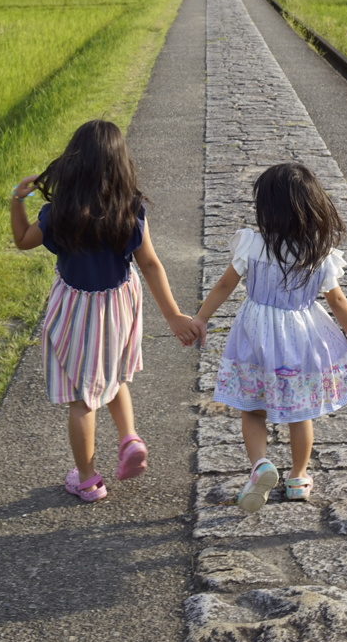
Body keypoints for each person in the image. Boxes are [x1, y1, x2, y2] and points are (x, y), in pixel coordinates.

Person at [11, 118, 203, 502]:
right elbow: (149, 264)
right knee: (113, 374)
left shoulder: (56, 213)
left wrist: (17, 200)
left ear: (73, 163)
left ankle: (87, 479)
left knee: (82, 397)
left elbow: (22, 241)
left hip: (75, 309)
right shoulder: (131, 210)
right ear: (120, 165)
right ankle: (129, 437)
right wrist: (173, 315)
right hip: (118, 304)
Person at [196, 161, 347, 512]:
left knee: (253, 409)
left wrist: (200, 318)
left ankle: (260, 464)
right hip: (299, 338)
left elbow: (225, 286)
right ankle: (297, 478)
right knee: (300, 412)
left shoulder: (252, 245)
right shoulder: (317, 253)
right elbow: (337, 300)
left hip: (255, 336)